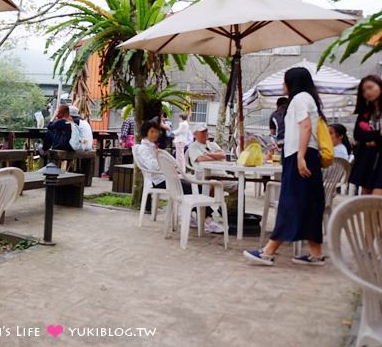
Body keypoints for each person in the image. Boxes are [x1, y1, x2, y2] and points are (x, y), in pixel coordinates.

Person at [244, 67, 328, 266]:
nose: (283, 85)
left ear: (292, 82)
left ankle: (268, 251)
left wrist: (300, 157)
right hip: (306, 155)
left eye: (285, 81)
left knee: (291, 202)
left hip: (300, 156)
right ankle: (316, 254)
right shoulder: (308, 98)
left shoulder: (299, 99)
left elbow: (305, 126)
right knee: (309, 204)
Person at [137, 121, 224, 233]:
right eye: (152, 131)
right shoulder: (144, 148)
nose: (155, 134)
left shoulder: (152, 146)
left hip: (167, 178)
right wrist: (167, 164)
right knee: (198, 189)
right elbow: (152, 165)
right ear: (145, 133)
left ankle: (197, 217)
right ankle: (206, 220)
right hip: (159, 181)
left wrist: (169, 165)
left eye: (156, 131)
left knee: (198, 187)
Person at [349, 75, 382, 195]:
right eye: (363, 91)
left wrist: (374, 140)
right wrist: (378, 135)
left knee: (377, 196)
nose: (367, 92)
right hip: (368, 159)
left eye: (370, 87)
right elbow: (358, 134)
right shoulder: (366, 112)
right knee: (365, 197)